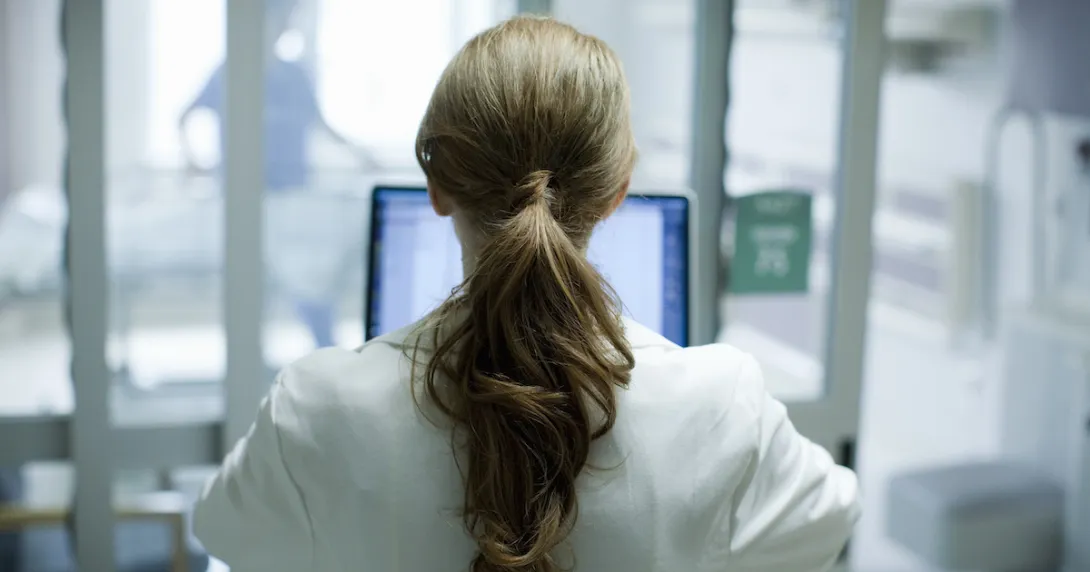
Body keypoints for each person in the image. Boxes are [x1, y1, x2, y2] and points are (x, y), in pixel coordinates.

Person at [192, 16, 860, 572]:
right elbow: (832, 516)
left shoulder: (316, 407)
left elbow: (226, 531)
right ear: (617, 193)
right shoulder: (720, 404)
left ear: (438, 183)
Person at [178, 0, 373, 349]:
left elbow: (320, 124)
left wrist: (360, 155)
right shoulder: (230, 73)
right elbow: (185, 117)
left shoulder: (293, 75)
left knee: (308, 281)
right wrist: (192, 162)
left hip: (291, 201)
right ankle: (250, 357)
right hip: (245, 201)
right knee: (255, 289)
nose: (282, 28)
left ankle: (325, 349)